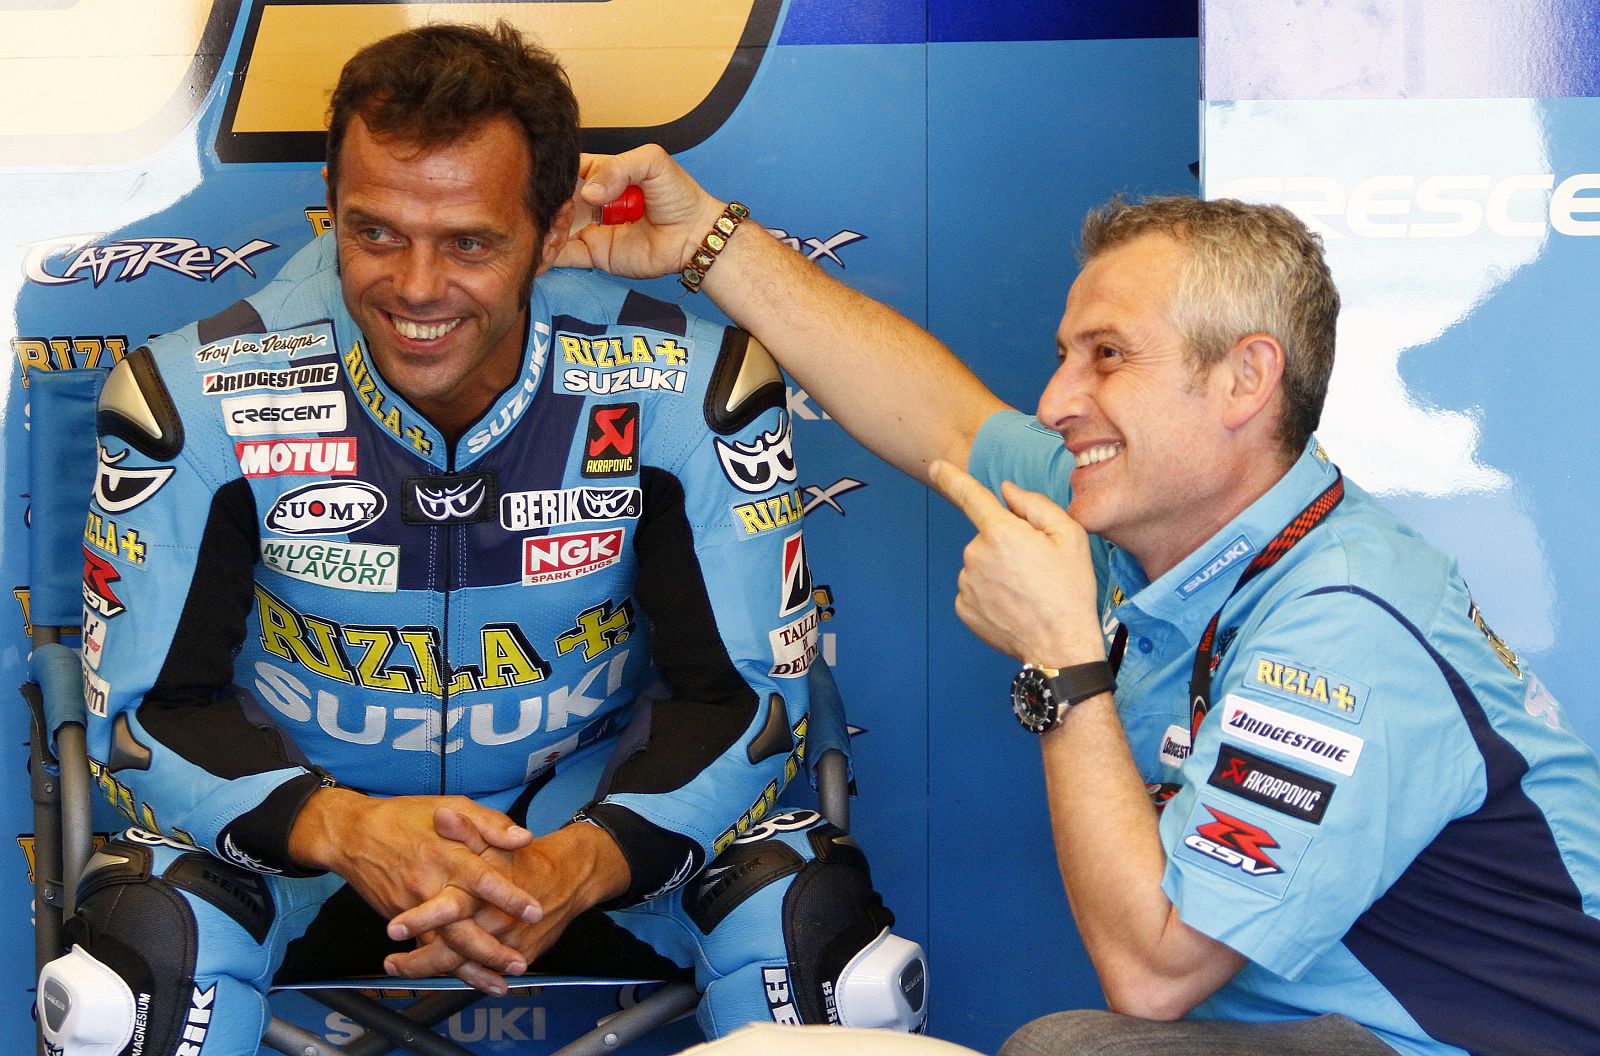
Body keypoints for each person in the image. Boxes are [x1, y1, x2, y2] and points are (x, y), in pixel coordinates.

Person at [563, 147, 1600, 1056]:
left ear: (1245, 381)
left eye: (1106, 356)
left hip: (1468, 1043)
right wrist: (709, 241)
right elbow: (943, 419)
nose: (1057, 401)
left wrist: (1063, 661)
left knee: (1077, 1047)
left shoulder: (1339, 625)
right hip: (1307, 1036)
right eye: (1065, 357)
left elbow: (1153, 978)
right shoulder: (1155, 509)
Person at [40, 24, 928, 1056]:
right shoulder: (192, 395)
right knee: (131, 976)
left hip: (590, 816)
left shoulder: (689, 383)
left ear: (551, 233)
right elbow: (150, 714)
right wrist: (346, 829)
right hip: (301, 833)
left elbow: (742, 701)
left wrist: (576, 860)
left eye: (470, 242)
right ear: (330, 204)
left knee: (823, 950)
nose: (416, 288)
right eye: (373, 233)